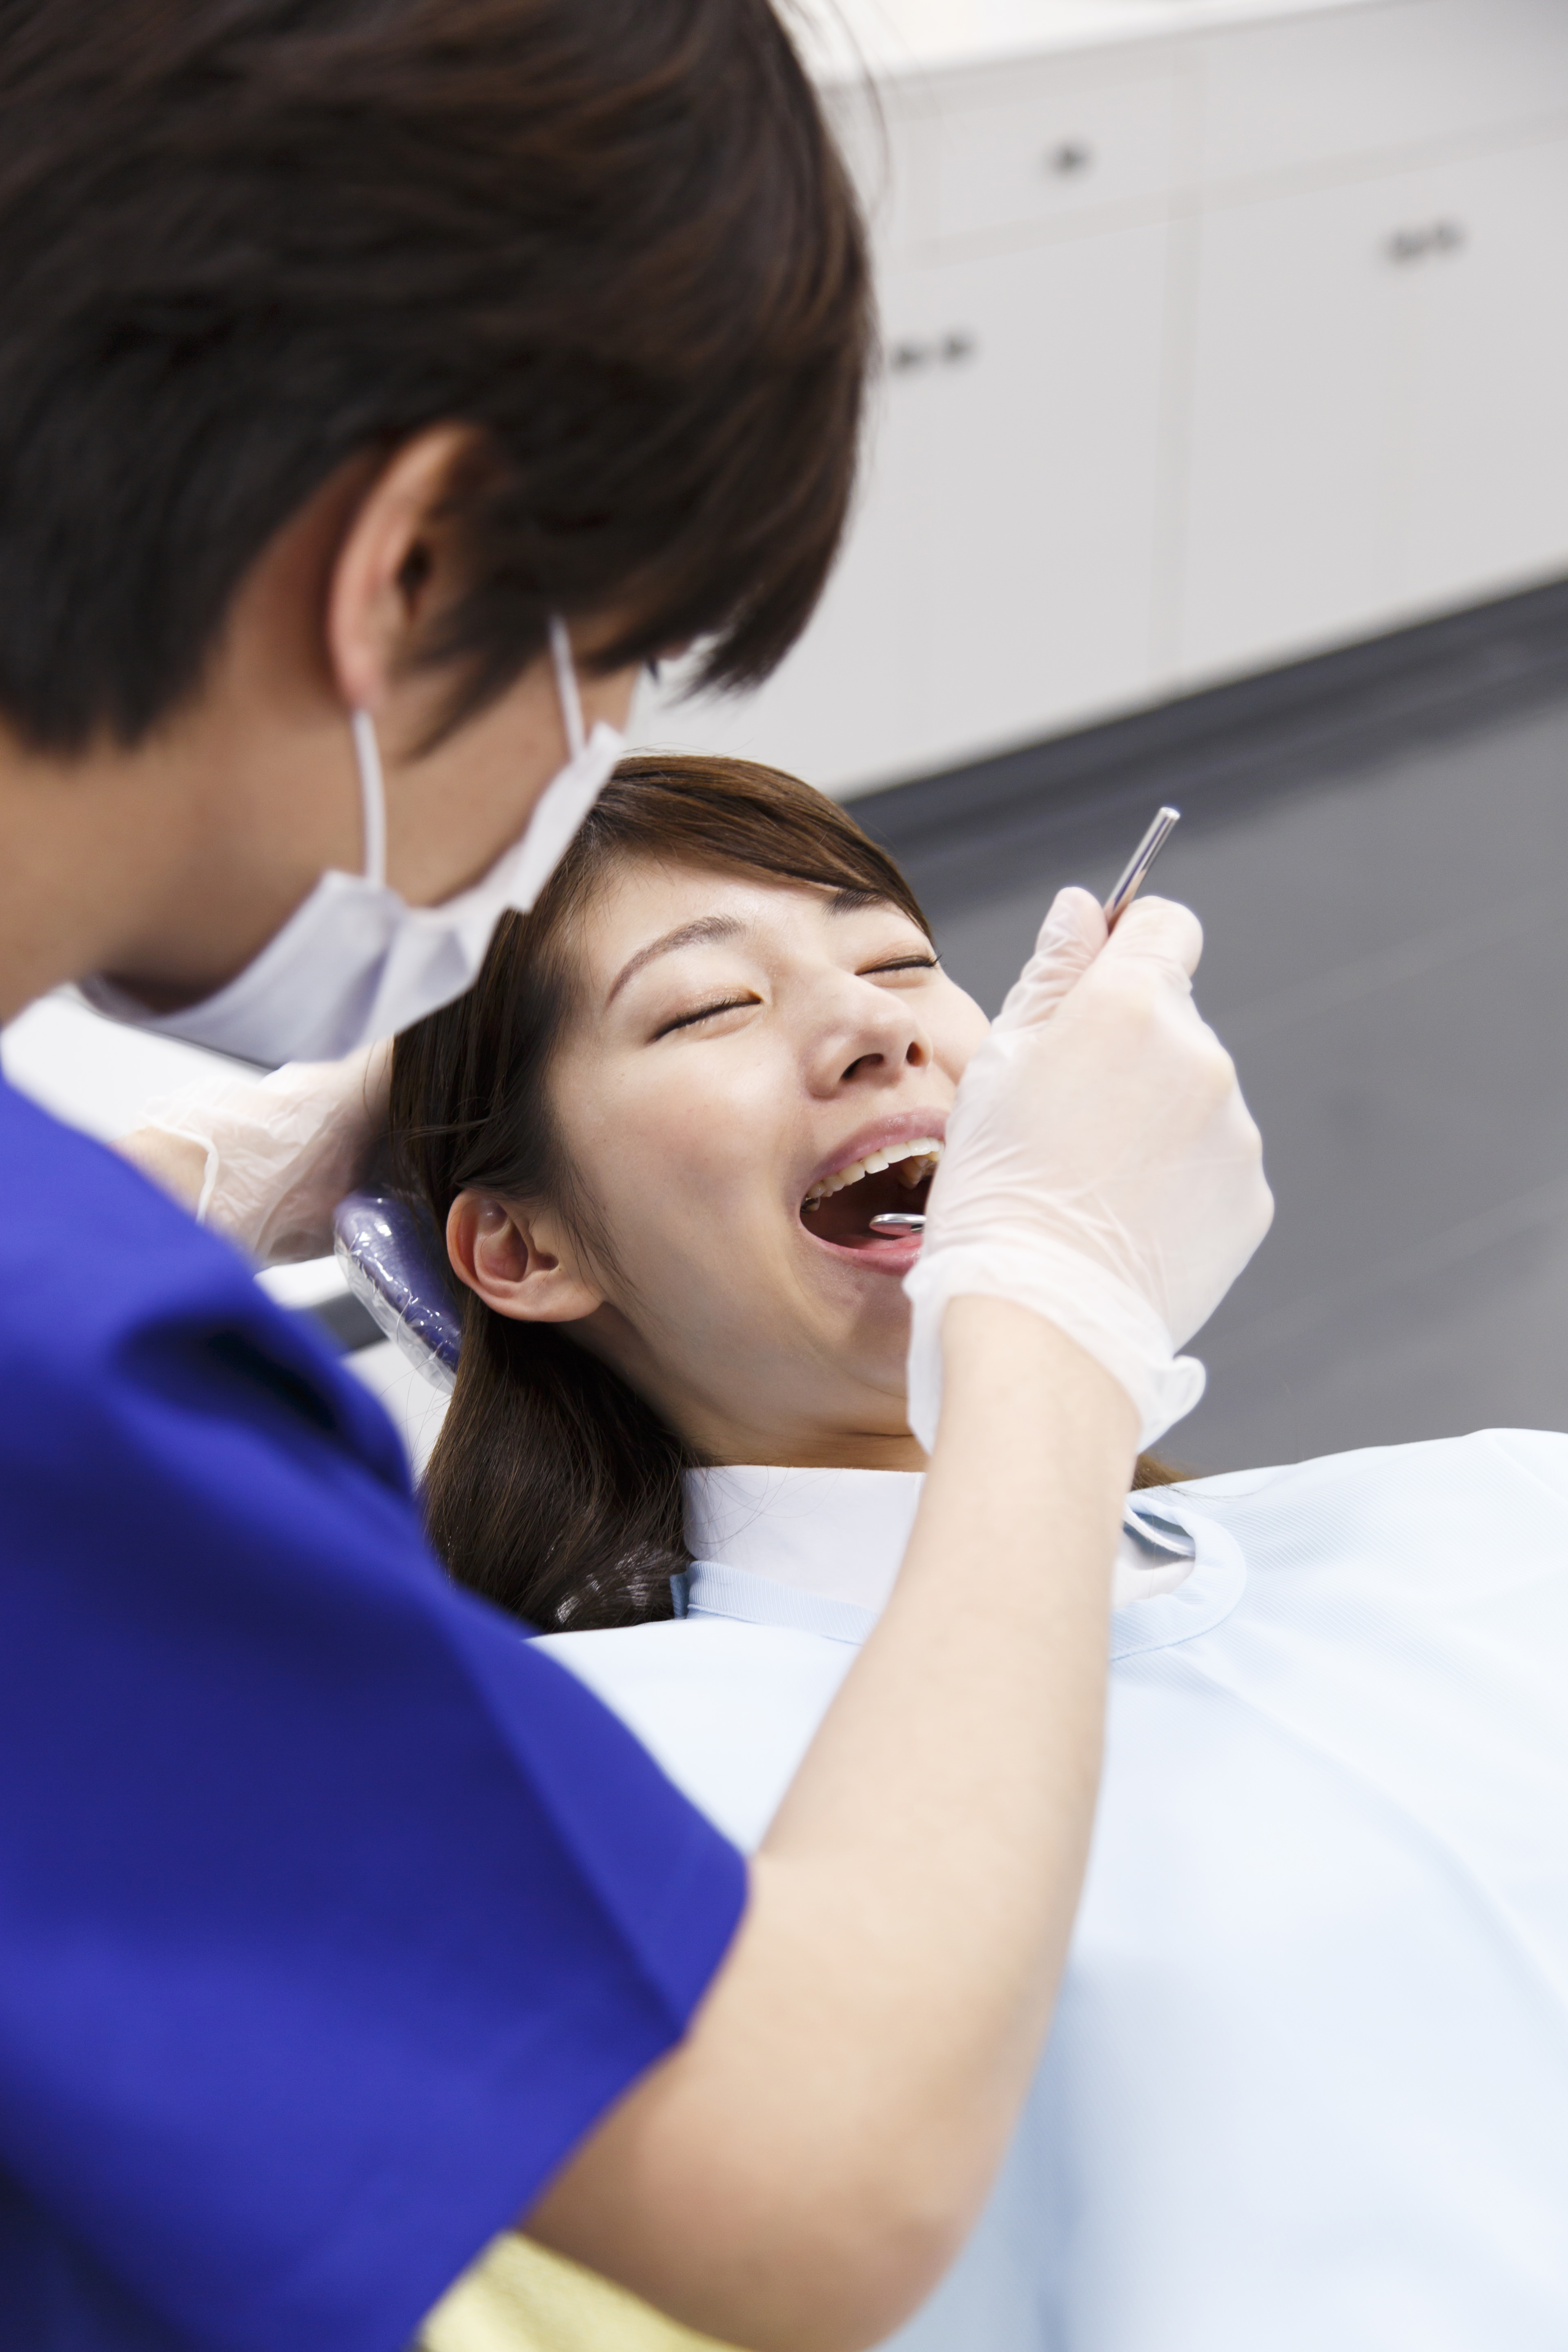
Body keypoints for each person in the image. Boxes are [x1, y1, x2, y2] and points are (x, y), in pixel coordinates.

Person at [0, 7, 1272, 2350]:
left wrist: (169, 1192)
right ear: (407, 571)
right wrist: (1058, 1332)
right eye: (620, 668)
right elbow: (814, 2180)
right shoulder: (75, 1396)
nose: (878, 1019)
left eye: (898, 960)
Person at [341, 753, 1557, 2351]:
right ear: (524, 1246)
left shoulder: (1498, 1512)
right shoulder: (556, 1773)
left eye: (904, 961)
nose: (877, 1025)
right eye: (707, 1010)